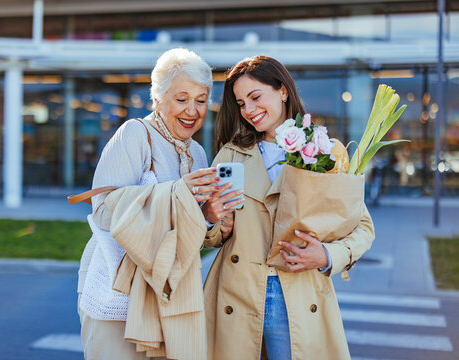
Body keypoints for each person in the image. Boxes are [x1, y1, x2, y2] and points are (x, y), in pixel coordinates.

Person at [202, 56, 375, 360]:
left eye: (256, 97)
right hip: (237, 294)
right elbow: (215, 236)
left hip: (299, 292)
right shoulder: (230, 156)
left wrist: (326, 255)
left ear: (282, 90)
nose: (250, 110)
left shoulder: (325, 150)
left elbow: (362, 227)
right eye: (241, 103)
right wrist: (211, 219)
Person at [76, 48, 241, 359]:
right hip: (120, 294)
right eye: (182, 99)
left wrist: (209, 216)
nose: (192, 110)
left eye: (201, 100)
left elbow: (187, 235)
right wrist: (176, 195)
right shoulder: (135, 135)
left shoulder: (199, 155)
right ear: (158, 99)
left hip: (168, 293)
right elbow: (103, 211)